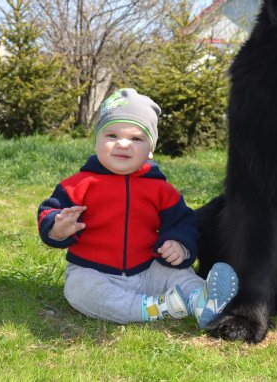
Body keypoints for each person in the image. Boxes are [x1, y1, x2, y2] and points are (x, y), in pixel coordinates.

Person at [37, 88, 238, 327]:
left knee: (180, 275)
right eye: (111, 135)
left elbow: (183, 222)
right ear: (96, 143)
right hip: (93, 271)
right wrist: (57, 227)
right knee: (79, 290)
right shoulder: (79, 185)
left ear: (150, 149)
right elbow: (48, 212)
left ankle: (200, 299)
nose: (123, 144)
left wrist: (179, 245)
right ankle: (154, 308)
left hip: (147, 269)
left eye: (136, 138)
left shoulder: (160, 189)